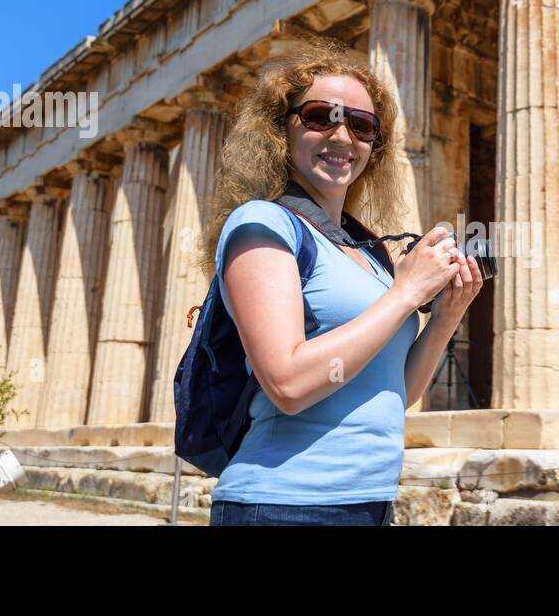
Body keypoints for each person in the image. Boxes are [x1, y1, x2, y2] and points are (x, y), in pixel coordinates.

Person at [201, 39, 483, 526]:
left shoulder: (365, 254)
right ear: (279, 129)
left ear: (374, 147)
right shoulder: (262, 225)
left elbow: (394, 391)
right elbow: (287, 384)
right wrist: (405, 293)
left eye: (361, 125)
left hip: (368, 502)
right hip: (283, 504)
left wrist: (444, 318)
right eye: (320, 116)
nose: (341, 136)